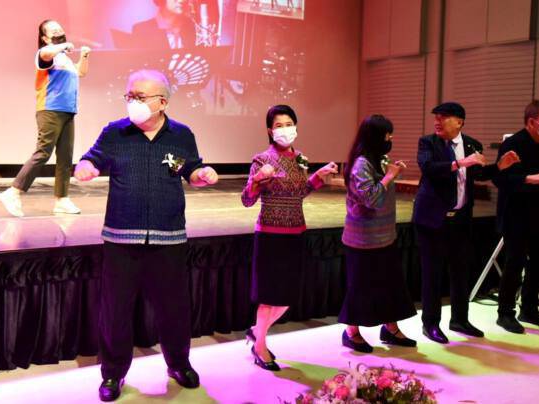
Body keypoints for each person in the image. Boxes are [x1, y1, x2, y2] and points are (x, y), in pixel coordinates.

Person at [74, 69, 219, 401]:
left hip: (169, 238)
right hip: (121, 239)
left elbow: (190, 170)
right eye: (129, 96)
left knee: (174, 309)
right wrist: (86, 167)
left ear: (162, 102)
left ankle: (178, 364)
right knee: (116, 311)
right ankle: (113, 373)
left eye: (140, 97)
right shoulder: (115, 132)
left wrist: (203, 174)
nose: (132, 102)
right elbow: (92, 158)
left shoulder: (181, 135)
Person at [413, 102, 520, 344]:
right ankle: (430, 324)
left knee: (461, 272)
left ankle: (460, 320)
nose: (437, 121)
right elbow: (429, 169)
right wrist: (461, 163)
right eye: (436, 117)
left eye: (444, 117)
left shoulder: (472, 144)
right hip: (432, 219)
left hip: (460, 220)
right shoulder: (428, 142)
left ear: (459, 121)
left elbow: (478, 174)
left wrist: (499, 167)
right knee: (432, 274)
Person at [241, 104, 338, 371]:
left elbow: (299, 193)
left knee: (286, 297)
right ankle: (260, 347)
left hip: (296, 233)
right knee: (269, 296)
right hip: (270, 236)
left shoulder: (301, 159)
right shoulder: (262, 159)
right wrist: (257, 181)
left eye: (289, 124)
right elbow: (247, 200)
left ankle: (256, 332)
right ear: (269, 131)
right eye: (279, 125)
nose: (285, 129)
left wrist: (318, 177)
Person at [338, 114, 417, 353]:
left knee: (390, 285)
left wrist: (392, 172)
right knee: (360, 288)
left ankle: (390, 328)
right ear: (375, 137)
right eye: (387, 135)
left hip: (385, 236)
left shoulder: (378, 159)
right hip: (363, 240)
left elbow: (381, 189)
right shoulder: (361, 164)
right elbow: (372, 198)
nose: (390, 139)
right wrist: (390, 176)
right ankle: (351, 332)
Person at [0, 20, 90, 217]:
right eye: (54, 30)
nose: (59, 32)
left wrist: (84, 55)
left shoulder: (64, 59)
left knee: (65, 157)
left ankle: (62, 200)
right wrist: (63, 45)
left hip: (68, 111)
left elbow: (81, 72)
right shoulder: (45, 53)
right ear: (45, 38)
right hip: (50, 109)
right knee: (43, 153)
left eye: (60, 29)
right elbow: (46, 54)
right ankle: (13, 192)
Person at [493, 98, 539, 334]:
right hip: (516, 214)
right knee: (515, 263)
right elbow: (501, 179)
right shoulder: (513, 144)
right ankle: (505, 313)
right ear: (532, 122)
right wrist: (529, 179)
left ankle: (529, 308)